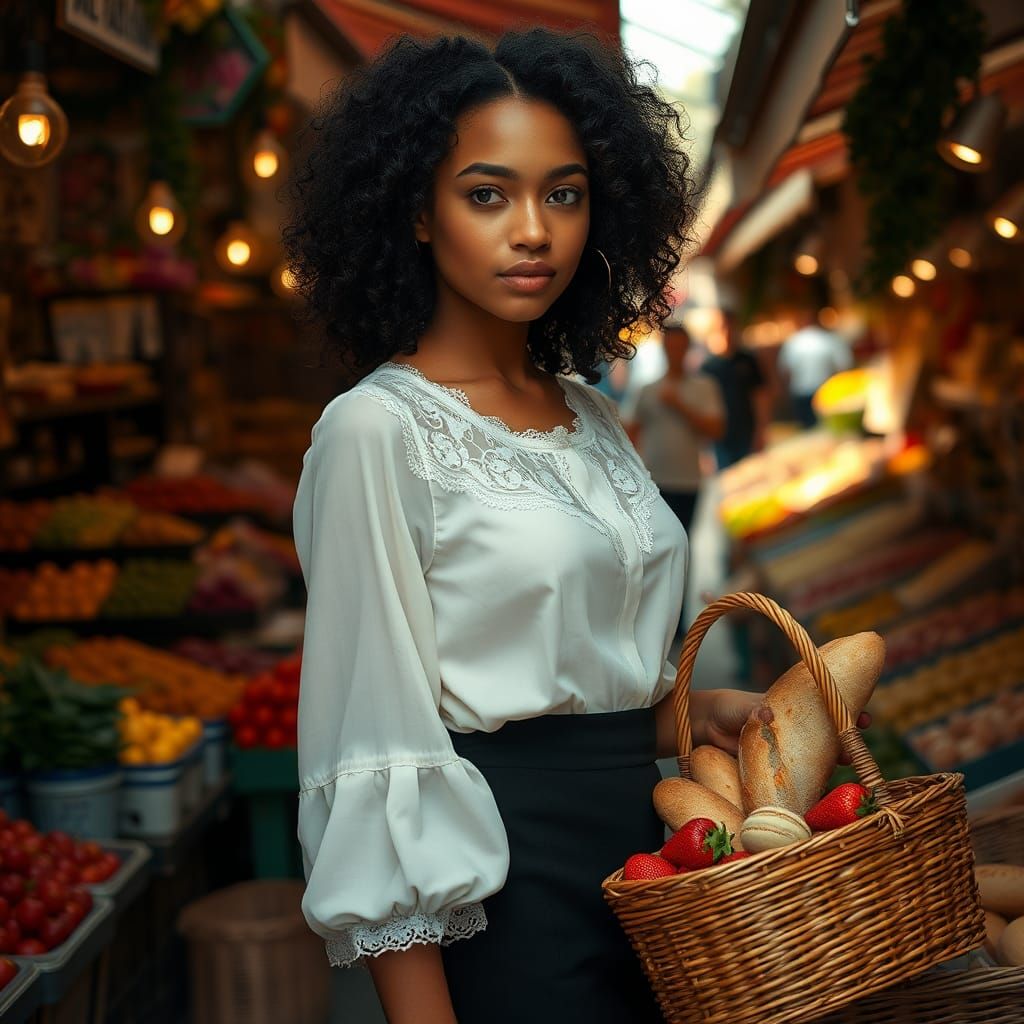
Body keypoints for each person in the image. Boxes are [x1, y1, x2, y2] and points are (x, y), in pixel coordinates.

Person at [285, 30, 867, 1024]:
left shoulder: (589, 413)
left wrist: (693, 711)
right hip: (504, 885)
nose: (533, 231)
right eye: (487, 194)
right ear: (416, 212)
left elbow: (565, 685)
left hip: (655, 864)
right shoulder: (373, 431)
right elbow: (371, 739)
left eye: (563, 193)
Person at [628, 322, 724, 537]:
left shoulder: (704, 386)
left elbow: (716, 430)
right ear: (664, 349)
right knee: (656, 542)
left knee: (684, 540)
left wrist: (680, 406)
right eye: (671, 347)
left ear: (688, 348)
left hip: (688, 481)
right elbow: (631, 432)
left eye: (680, 347)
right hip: (653, 481)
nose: (675, 353)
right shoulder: (648, 389)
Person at [702, 312, 769, 469]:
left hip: (747, 431)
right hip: (721, 437)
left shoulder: (748, 361)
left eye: (731, 328)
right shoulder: (708, 368)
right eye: (722, 329)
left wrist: (761, 429)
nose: (727, 333)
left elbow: (760, 396)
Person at [778, 312, 853, 427]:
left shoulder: (792, 342)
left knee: (807, 429)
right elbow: (843, 366)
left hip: (800, 392)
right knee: (827, 428)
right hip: (825, 391)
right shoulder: (830, 339)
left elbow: (786, 371)